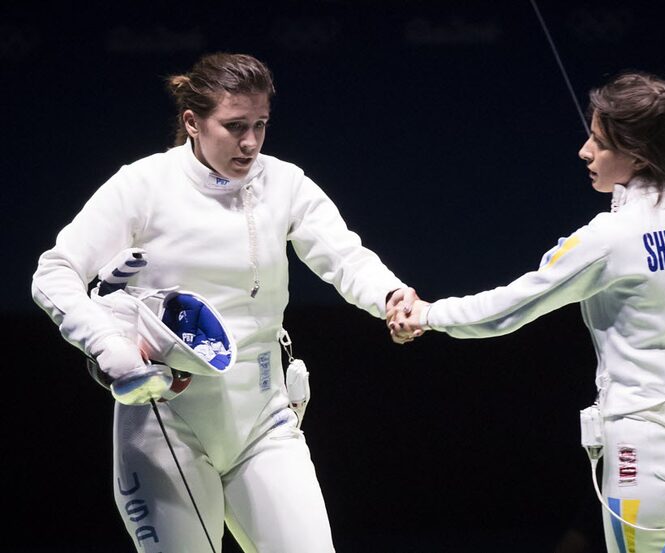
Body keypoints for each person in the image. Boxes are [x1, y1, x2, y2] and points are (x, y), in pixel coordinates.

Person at [32, 52, 419, 552]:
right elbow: (54, 273)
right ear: (192, 122)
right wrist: (107, 343)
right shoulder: (143, 185)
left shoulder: (284, 183)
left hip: (264, 419)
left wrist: (389, 294)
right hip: (164, 424)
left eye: (261, 125)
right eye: (235, 126)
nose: (251, 142)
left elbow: (344, 255)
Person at [388, 71, 665, 552]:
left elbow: (509, 309)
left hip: (645, 461)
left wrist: (426, 314)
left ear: (638, 154)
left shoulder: (610, 236)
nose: (585, 152)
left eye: (598, 142)